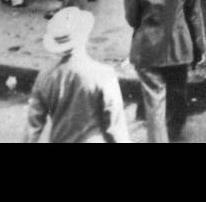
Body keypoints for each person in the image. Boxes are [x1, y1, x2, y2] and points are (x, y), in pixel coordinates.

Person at [124, 0, 206, 143]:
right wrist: (200, 46)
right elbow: (194, 14)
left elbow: (132, 18)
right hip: (179, 45)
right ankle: (177, 135)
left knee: (154, 103)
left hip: (147, 47)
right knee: (178, 95)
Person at [24, 8, 131, 143]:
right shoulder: (104, 74)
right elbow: (115, 127)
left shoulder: (45, 76)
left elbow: (33, 128)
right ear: (84, 37)